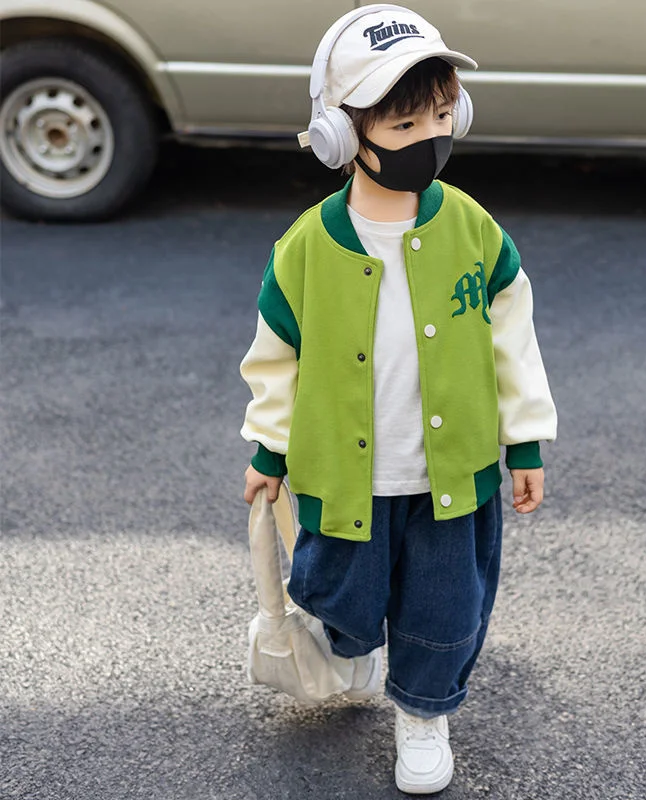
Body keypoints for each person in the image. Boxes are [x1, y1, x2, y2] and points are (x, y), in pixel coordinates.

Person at [240, 4, 557, 794]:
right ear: (339, 133)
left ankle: (422, 713)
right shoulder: (305, 247)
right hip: (345, 479)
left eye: (443, 117)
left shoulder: (474, 230)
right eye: (406, 124)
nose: (431, 138)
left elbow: (513, 339)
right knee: (341, 598)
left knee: (445, 609)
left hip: (451, 476)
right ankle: (354, 646)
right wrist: (268, 449)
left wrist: (524, 439)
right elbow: (276, 358)